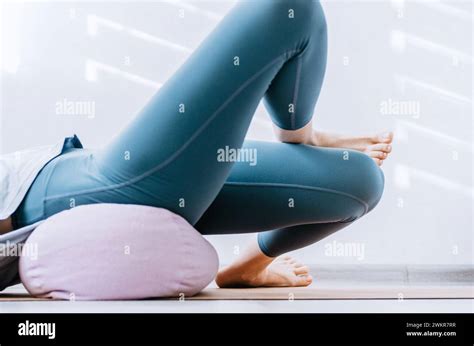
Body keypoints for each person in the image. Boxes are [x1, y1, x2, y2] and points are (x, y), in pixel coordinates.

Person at [0, 0, 393, 290]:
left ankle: (246, 267)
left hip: (64, 174)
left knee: (363, 183)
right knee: (289, 8)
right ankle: (301, 135)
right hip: (59, 204)